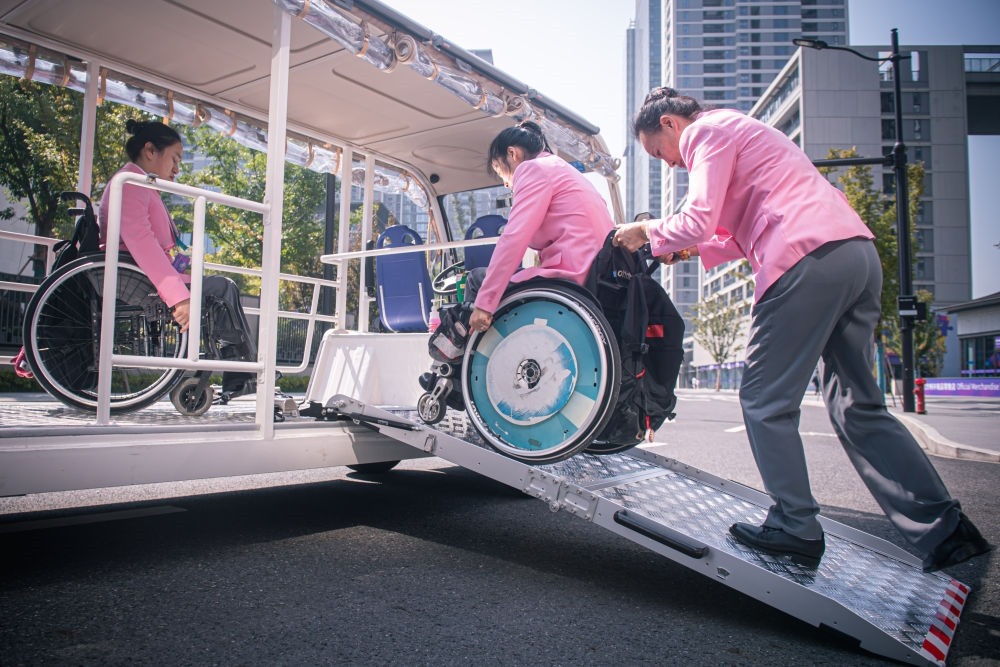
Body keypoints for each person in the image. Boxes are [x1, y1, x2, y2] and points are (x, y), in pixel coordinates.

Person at [613, 87, 989, 572]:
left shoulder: (705, 132)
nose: (668, 163)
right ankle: (948, 531)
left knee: (764, 398)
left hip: (802, 258)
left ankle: (795, 527)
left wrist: (644, 231)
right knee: (857, 405)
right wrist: (686, 249)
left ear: (670, 123)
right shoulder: (744, 130)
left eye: (658, 152)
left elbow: (699, 219)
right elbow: (733, 230)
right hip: (854, 254)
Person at [99, 119, 257, 400]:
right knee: (222, 288)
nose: (177, 169)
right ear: (150, 151)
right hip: (133, 278)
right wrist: (179, 297)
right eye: (174, 158)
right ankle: (242, 371)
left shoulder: (139, 183)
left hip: (136, 273)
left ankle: (242, 370)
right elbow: (142, 242)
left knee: (222, 286)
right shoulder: (131, 183)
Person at [465, 121, 615, 333]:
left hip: (570, 275)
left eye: (500, 171)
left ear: (513, 154)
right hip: (595, 274)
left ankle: (458, 351)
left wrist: (484, 304)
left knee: (476, 280)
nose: (506, 183)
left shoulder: (533, 169)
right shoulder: (562, 169)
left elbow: (514, 238)